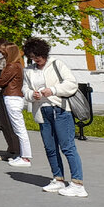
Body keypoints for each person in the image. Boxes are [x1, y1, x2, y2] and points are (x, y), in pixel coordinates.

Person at [22, 37, 86, 197]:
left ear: (44, 53)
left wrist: (54, 90)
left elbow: (71, 84)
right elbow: (25, 89)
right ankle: (58, 179)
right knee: (50, 147)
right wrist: (32, 94)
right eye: (32, 57)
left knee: (67, 146)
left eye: (38, 56)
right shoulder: (29, 70)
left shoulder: (57, 64)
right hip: (42, 111)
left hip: (60, 109)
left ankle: (78, 183)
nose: (36, 60)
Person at [0, 40, 31, 167]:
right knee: (17, 128)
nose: (2, 54)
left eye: (4, 52)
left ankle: (25, 157)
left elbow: (1, 81)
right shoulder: (18, 65)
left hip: (12, 97)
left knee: (19, 128)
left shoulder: (11, 66)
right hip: (15, 96)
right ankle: (22, 155)